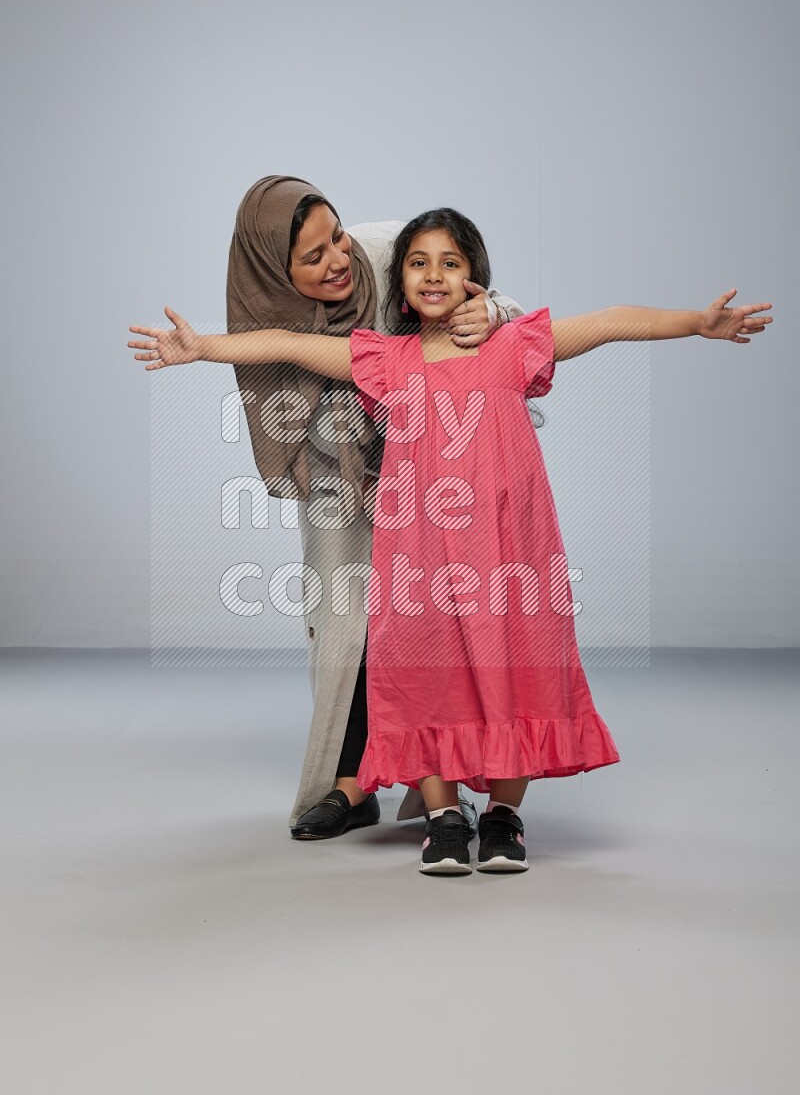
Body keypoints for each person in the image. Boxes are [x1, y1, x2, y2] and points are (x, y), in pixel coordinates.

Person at [129, 207, 773, 876]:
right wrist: (202, 348)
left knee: (514, 670)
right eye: (417, 263)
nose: (433, 274)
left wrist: (696, 324)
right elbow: (290, 345)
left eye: (450, 262)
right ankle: (442, 815)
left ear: (475, 280)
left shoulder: (515, 343)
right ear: (400, 284)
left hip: (510, 553)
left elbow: (611, 322)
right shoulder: (386, 359)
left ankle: (502, 816)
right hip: (421, 560)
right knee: (421, 675)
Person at [218, 177, 526, 838]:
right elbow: (281, 363)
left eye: (336, 235)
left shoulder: (387, 251)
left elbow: (482, 295)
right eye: (312, 255)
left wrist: (493, 310)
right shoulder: (263, 309)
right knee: (343, 624)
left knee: (433, 618)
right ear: (276, 269)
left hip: (430, 470)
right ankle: (351, 784)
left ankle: (438, 778)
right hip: (339, 474)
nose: (337, 259)